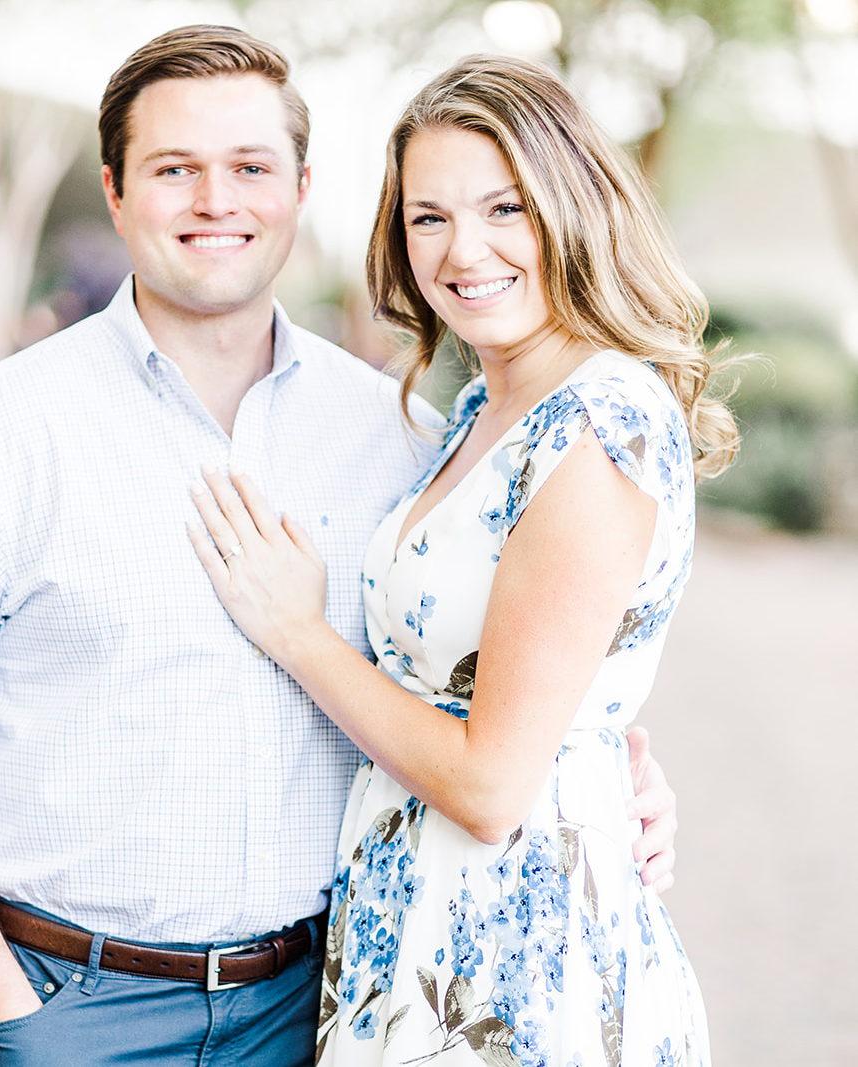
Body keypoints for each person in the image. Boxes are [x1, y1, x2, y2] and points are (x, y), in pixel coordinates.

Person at [0, 27, 678, 1067]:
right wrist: (10, 1012)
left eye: (250, 168)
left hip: (326, 1002)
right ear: (115, 191)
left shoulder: (399, 437)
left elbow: (483, 678)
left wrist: (601, 771)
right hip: (78, 1011)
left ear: (300, 189)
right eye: (174, 168)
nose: (216, 200)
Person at [187, 54, 736, 1066]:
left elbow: (489, 784)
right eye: (427, 216)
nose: (461, 250)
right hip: (426, 929)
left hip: (516, 961)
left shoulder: (596, 421)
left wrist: (297, 633)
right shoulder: (488, 405)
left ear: (571, 207)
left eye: (503, 208)